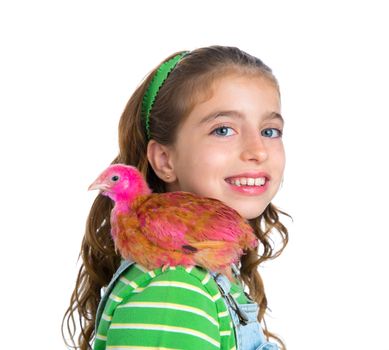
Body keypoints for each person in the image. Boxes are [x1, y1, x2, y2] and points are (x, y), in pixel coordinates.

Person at [63, 45, 291, 350]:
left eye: (270, 131)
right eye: (223, 130)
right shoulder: (174, 288)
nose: (258, 150)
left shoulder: (206, 275)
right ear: (165, 160)